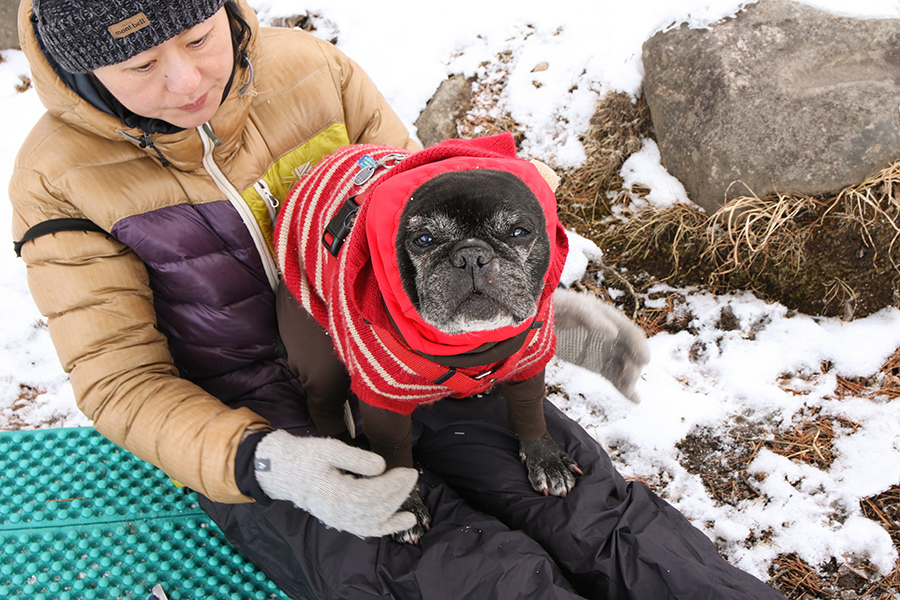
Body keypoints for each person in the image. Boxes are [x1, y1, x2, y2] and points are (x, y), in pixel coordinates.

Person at [9, 0, 787, 598]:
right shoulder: (59, 179)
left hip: (415, 353)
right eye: (140, 65)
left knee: (592, 518)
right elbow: (119, 381)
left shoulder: (312, 70)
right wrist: (263, 462)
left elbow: (425, 212)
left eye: (199, 37)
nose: (185, 81)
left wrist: (529, 314)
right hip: (259, 419)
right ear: (82, 70)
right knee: (469, 576)